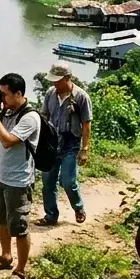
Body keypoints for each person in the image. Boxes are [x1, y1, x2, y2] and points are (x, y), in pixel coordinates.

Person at [0, 73, 40, 279]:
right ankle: (6, 256)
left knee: (20, 227)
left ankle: (21, 270)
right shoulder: (6, 111)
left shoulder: (30, 118)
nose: (1, 98)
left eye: (4, 94)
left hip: (19, 181)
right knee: (1, 220)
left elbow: (7, 141)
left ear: (19, 93)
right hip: (0, 177)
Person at [38, 61, 92, 226]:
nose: (55, 83)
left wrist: (85, 148)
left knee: (68, 181)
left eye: (58, 80)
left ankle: (78, 207)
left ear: (68, 78)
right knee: (48, 181)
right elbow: (44, 116)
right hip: (53, 142)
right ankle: (51, 215)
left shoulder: (81, 97)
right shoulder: (50, 94)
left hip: (71, 143)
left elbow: (86, 124)